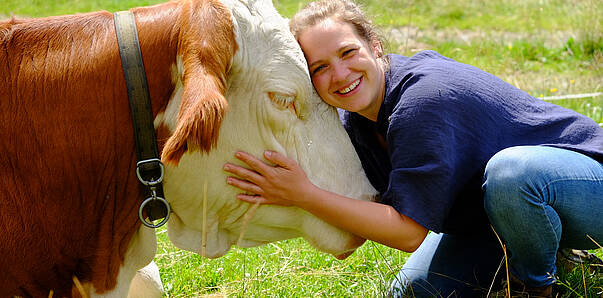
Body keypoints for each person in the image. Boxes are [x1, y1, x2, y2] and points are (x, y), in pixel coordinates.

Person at [222, 0, 603, 296]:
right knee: (417, 291)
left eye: (347, 53)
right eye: (319, 68)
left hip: (583, 182)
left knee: (512, 175)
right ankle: (543, 249)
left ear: (375, 47)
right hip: (490, 220)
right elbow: (367, 205)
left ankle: (536, 286)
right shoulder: (353, 120)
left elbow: (408, 234)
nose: (339, 75)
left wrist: (304, 194)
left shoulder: (422, 101)